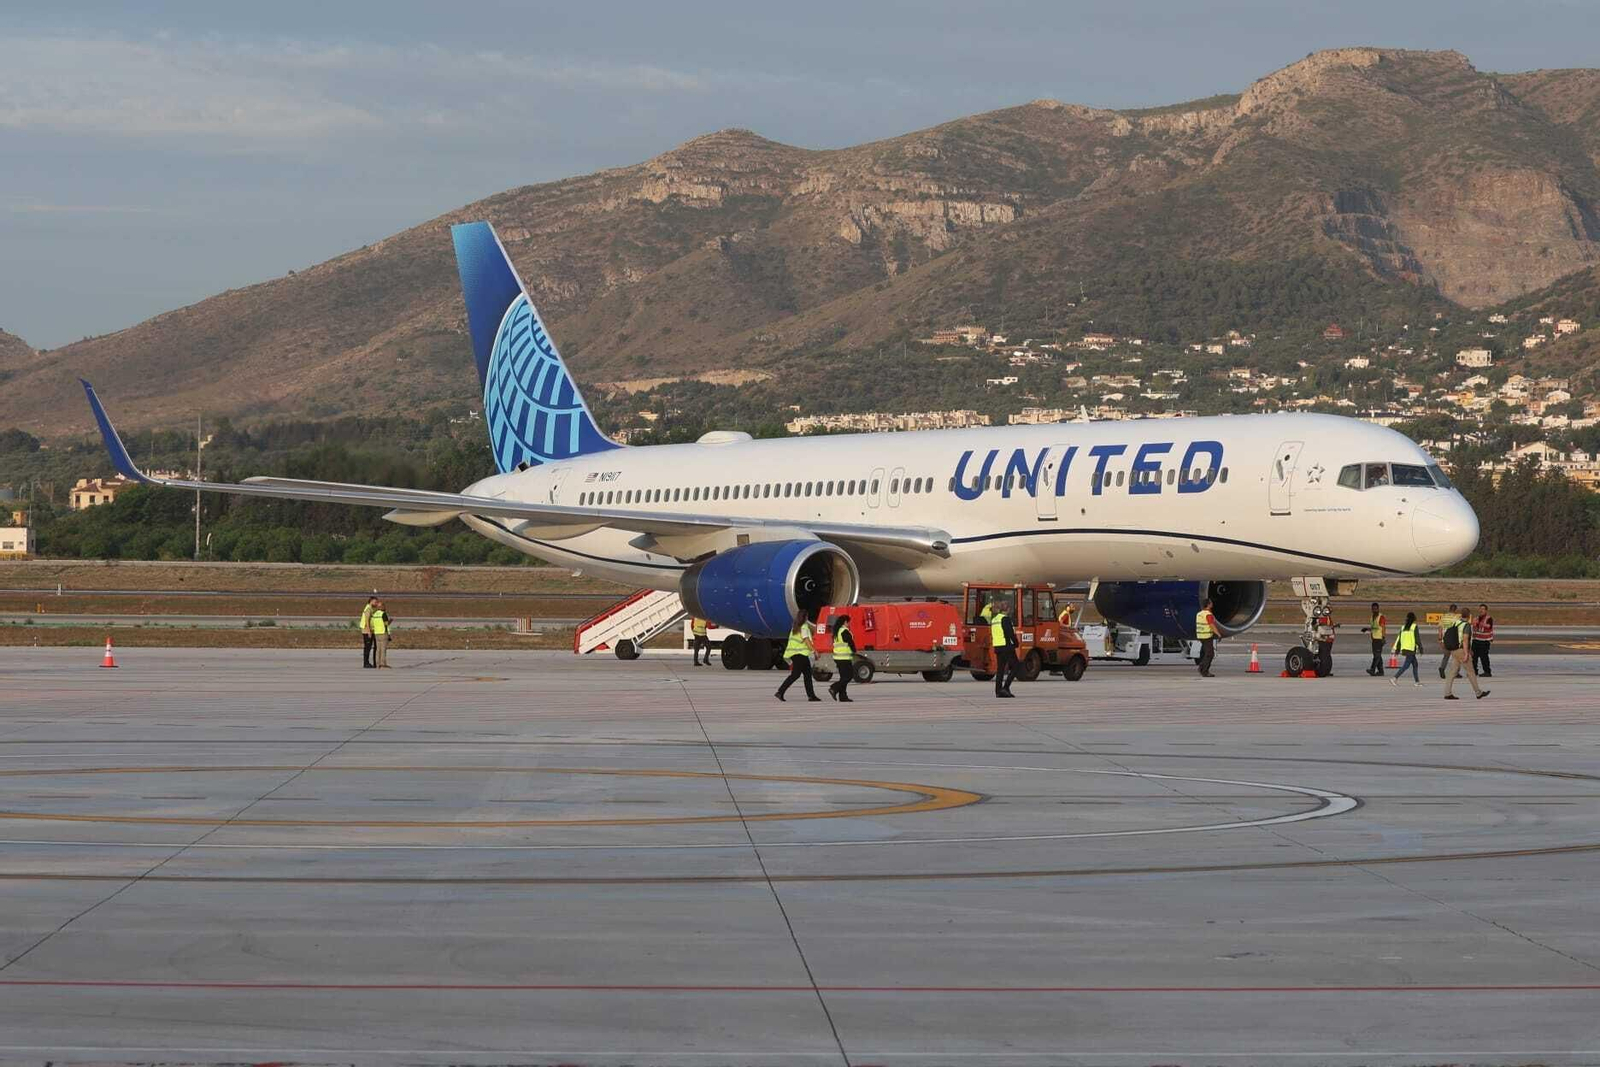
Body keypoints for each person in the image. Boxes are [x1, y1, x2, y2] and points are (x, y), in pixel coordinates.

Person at [775, 610, 820, 702]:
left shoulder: (795, 627)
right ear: (805, 617)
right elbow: (806, 640)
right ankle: (780, 691)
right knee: (795, 675)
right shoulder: (804, 627)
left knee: (807, 675)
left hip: (796, 654)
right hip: (800, 654)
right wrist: (814, 651)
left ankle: (811, 696)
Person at [1443, 613, 1488, 701]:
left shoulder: (1455, 623)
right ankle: (1478, 693)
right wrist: (1467, 653)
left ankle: (1447, 693)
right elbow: (1465, 639)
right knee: (1470, 672)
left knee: (1452, 672)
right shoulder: (1466, 625)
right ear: (1468, 617)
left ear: (1461, 616)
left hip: (1454, 650)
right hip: (1461, 651)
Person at [990, 599, 1019, 698]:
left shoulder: (994, 619)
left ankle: (998, 691)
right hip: (1006, 646)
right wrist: (1016, 643)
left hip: (998, 647)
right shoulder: (1005, 619)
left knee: (1000, 669)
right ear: (1008, 610)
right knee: (1016, 667)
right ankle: (1006, 687)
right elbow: (1010, 633)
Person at [827, 614, 857, 703]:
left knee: (843, 677)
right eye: (848, 622)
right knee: (849, 676)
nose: (849, 624)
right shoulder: (844, 631)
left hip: (838, 657)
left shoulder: (837, 631)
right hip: (844, 657)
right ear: (845, 622)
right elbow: (850, 642)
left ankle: (843, 696)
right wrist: (854, 650)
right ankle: (834, 688)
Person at [1390, 612, 1423, 687]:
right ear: (1414, 618)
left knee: (1415, 664)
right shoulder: (1414, 626)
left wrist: (1397, 649)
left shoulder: (1403, 627)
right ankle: (1394, 678)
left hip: (1405, 649)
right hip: (1410, 649)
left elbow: (1399, 639)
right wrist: (1421, 648)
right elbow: (1417, 638)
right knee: (1406, 665)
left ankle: (1417, 682)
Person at [1194, 597, 1218, 677]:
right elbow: (1211, 625)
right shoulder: (1208, 614)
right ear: (1208, 604)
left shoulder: (1199, 614)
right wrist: (1218, 634)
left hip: (1200, 635)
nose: (1212, 603)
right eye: (1211, 602)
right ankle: (1203, 670)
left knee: (1206, 652)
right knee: (1210, 654)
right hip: (1207, 636)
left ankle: (1202, 667)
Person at [1362, 601, 1386, 677]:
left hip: (1379, 638)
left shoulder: (1381, 617)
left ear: (1378, 609)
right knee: (1378, 655)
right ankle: (1381, 671)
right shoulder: (1372, 617)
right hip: (1374, 638)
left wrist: (1383, 637)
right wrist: (1367, 629)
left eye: (1375, 609)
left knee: (1376, 655)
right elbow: (1374, 628)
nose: (1374, 610)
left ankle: (1372, 669)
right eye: (1373, 609)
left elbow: (1383, 628)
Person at [1437, 603, 1461, 679]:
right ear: (1455, 610)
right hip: (1454, 640)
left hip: (1445, 639)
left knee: (1446, 656)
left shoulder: (1444, 617)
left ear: (1449, 609)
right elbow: (1459, 629)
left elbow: (1440, 628)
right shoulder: (1457, 618)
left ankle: (1442, 668)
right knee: (1456, 657)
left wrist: (1440, 639)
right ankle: (1456, 672)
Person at [1471, 604, 1495, 678]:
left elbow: (1489, 626)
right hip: (1476, 640)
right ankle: (1474, 671)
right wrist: (1474, 623)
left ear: (1486, 610)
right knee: (1473, 657)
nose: (1481, 610)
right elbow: (1473, 626)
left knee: (1484, 657)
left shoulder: (1489, 618)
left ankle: (1487, 672)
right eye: (1480, 609)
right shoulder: (1476, 618)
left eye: (1483, 609)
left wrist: (1479, 623)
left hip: (1484, 641)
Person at [370, 599, 392, 669]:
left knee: (378, 650)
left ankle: (377, 664)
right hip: (383, 633)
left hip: (376, 633)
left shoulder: (375, 614)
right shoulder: (383, 614)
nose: (385, 607)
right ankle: (382, 664)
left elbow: (372, 624)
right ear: (381, 607)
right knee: (383, 649)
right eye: (383, 606)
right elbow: (386, 624)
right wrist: (390, 621)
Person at [359, 595, 377, 669]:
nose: (376, 603)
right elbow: (367, 621)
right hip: (367, 631)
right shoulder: (368, 609)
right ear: (371, 601)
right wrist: (369, 631)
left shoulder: (371, 608)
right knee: (367, 647)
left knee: (368, 647)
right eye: (375, 602)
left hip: (369, 630)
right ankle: (366, 663)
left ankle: (368, 662)